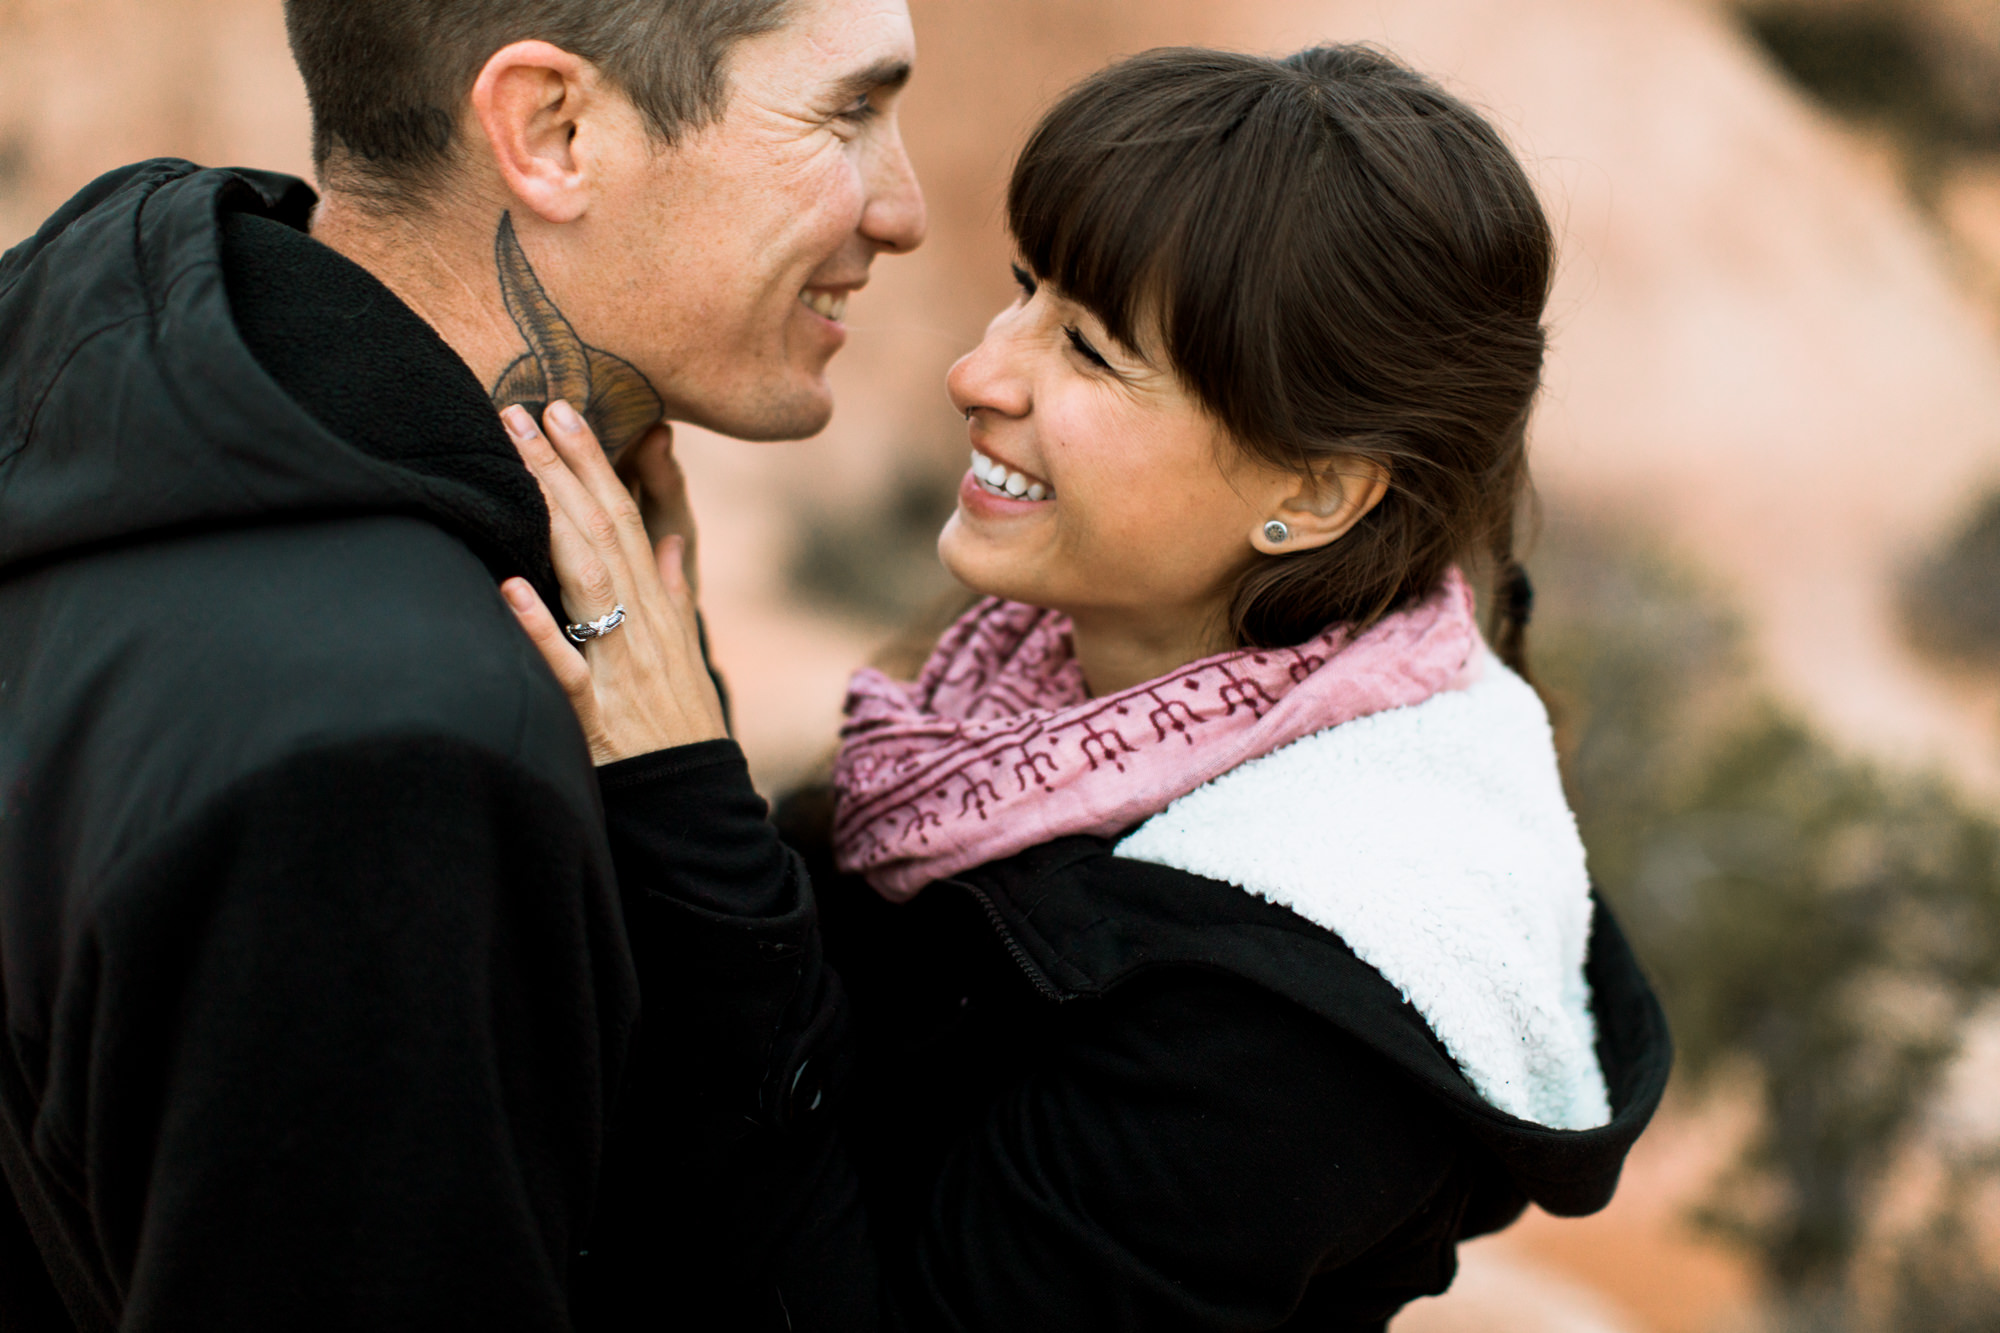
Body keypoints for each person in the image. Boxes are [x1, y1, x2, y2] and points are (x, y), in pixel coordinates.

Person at [504, 45, 1674, 1331]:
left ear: (1315, 492)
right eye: (1024, 293)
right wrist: (676, 696)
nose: (980, 372)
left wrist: (682, 802)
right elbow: (836, 1044)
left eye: (1091, 351)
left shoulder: (1286, 1020)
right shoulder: (1048, 680)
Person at [0, 0, 923, 1327]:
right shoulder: (390, 765)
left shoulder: (138, 442)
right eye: (847, 112)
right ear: (551, 130)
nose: (905, 212)